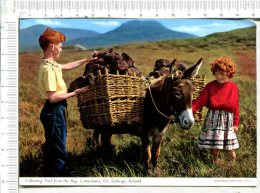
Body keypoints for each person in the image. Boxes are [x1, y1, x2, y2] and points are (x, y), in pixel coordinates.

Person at [38, 28, 93, 176]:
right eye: (60, 45)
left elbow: (67, 66)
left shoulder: (51, 64)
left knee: (53, 145)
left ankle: (49, 173)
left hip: (54, 110)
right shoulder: (48, 70)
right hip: (54, 109)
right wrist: (75, 93)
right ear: (52, 46)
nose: (61, 49)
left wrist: (86, 59)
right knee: (58, 147)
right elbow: (53, 97)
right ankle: (59, 176)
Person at [192, 57, 239, 164]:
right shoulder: (210, 86)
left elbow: (236, 107)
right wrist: (191, 110)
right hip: (213, 119)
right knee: (214, 146)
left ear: (229, 73)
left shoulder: (233, 87)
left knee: (230, 147)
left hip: (228, 120)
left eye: (222, 74)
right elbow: (200, 101)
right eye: (216, 73)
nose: (219, 76)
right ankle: (215, 163)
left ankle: (232, 165)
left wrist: (236, 123)